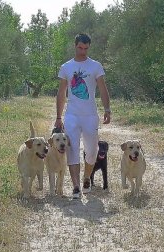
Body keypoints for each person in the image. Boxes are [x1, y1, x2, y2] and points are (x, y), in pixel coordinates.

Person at [54, 33, 111, 199]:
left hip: (90, 115)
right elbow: (61, 93)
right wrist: (59, 117)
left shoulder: (95, 66)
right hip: (72, 115)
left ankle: (87, 177)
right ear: (75, 46)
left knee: (92, 151)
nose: (83, 51)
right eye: (80, 47)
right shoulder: (66, 67)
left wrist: (107, 109)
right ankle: (76, 187)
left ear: (89, 47)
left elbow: (102, 88)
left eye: (86, 48)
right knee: (71, 150)